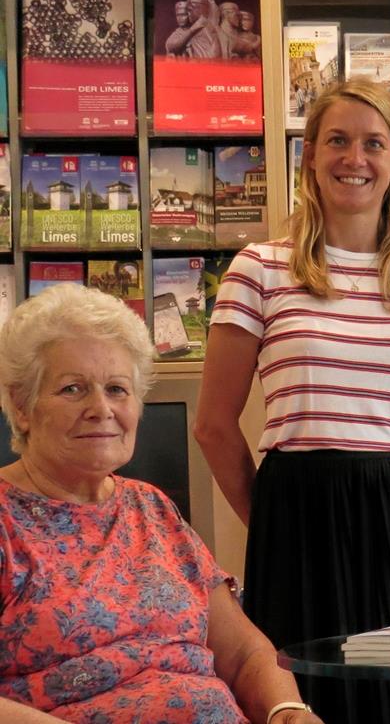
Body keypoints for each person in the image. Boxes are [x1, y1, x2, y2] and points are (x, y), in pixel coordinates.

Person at [195, 78, 390, 723]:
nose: (356, 158)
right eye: (338, 141)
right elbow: (213, 425)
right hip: (297, 510)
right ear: (310, 158)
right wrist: (271, 516)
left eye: (374, 143)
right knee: (303, 692)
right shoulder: (259, 268)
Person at [0, 284, 323, 724]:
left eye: (117, 389)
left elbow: (244, 653)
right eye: (73, 389)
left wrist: (287, 710)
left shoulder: (152, 507)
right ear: (22, 406)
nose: (101, 408)